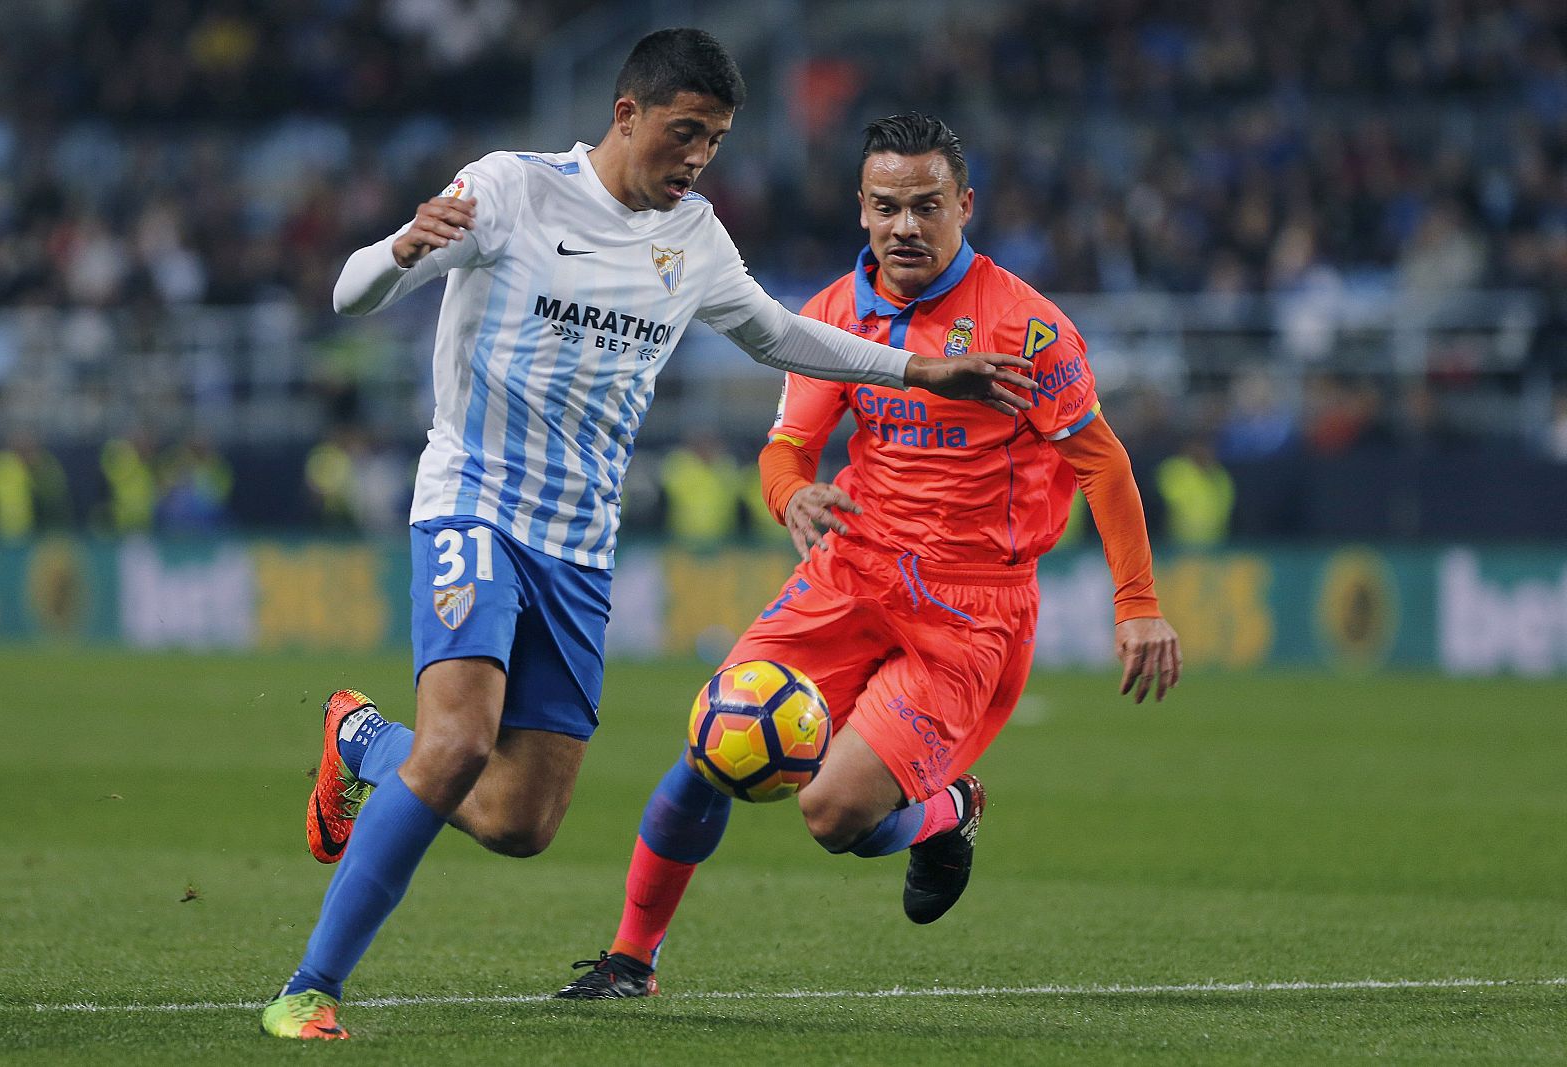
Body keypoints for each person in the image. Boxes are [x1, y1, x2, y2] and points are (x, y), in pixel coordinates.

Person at [261, 31, 1034, 1041]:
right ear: (625, 115)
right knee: (456, 744)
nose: (697, 157)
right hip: (474, 500)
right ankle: (309, 986)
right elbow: (349, 293)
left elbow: (774, 330)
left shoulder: (695, 236)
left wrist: (921, 372)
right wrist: (400, 249)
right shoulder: (512, 190)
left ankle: (361, 736)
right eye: (683, 133)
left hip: (579, 545)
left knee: (518, 821)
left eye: (712, 140)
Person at [552, 113, 1183, 1000]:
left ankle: (947, 811)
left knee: (833, 812)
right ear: (861, 209)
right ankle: (630, 957)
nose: (906, 227)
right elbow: (785, 452)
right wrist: (791, 495)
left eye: (927, 206)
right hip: (848, 572)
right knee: (708, 744)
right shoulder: (834, 316)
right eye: (887, 206)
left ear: (965, 206)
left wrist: (1138, 602)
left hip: (968, 609)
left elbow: (1103, 463)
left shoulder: (1027, 330)